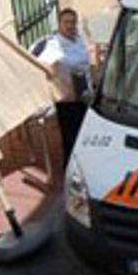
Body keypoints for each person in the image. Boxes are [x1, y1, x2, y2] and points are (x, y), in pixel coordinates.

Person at [37, 8, 91, 164]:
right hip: (68, 100)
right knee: (71, 138)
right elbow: (42, 65)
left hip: (84, 94)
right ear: (60, 24)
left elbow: (87, 63)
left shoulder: (79, 39)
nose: (70, 26)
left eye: (73, 22)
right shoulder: (55, 45)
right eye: (66, 22)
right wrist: (54, 75)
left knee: (85, 134)